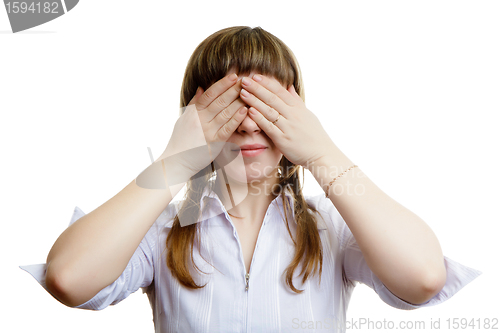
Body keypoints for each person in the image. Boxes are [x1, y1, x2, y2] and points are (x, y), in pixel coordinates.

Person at [21, 26, 481, 332]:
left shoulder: (334, 227)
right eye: (229, 107)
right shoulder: (162, 231)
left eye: (267, 107)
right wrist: (176, 160)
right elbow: (68, 278)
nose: (247, 125)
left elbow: (423, 276)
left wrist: (322, 151)